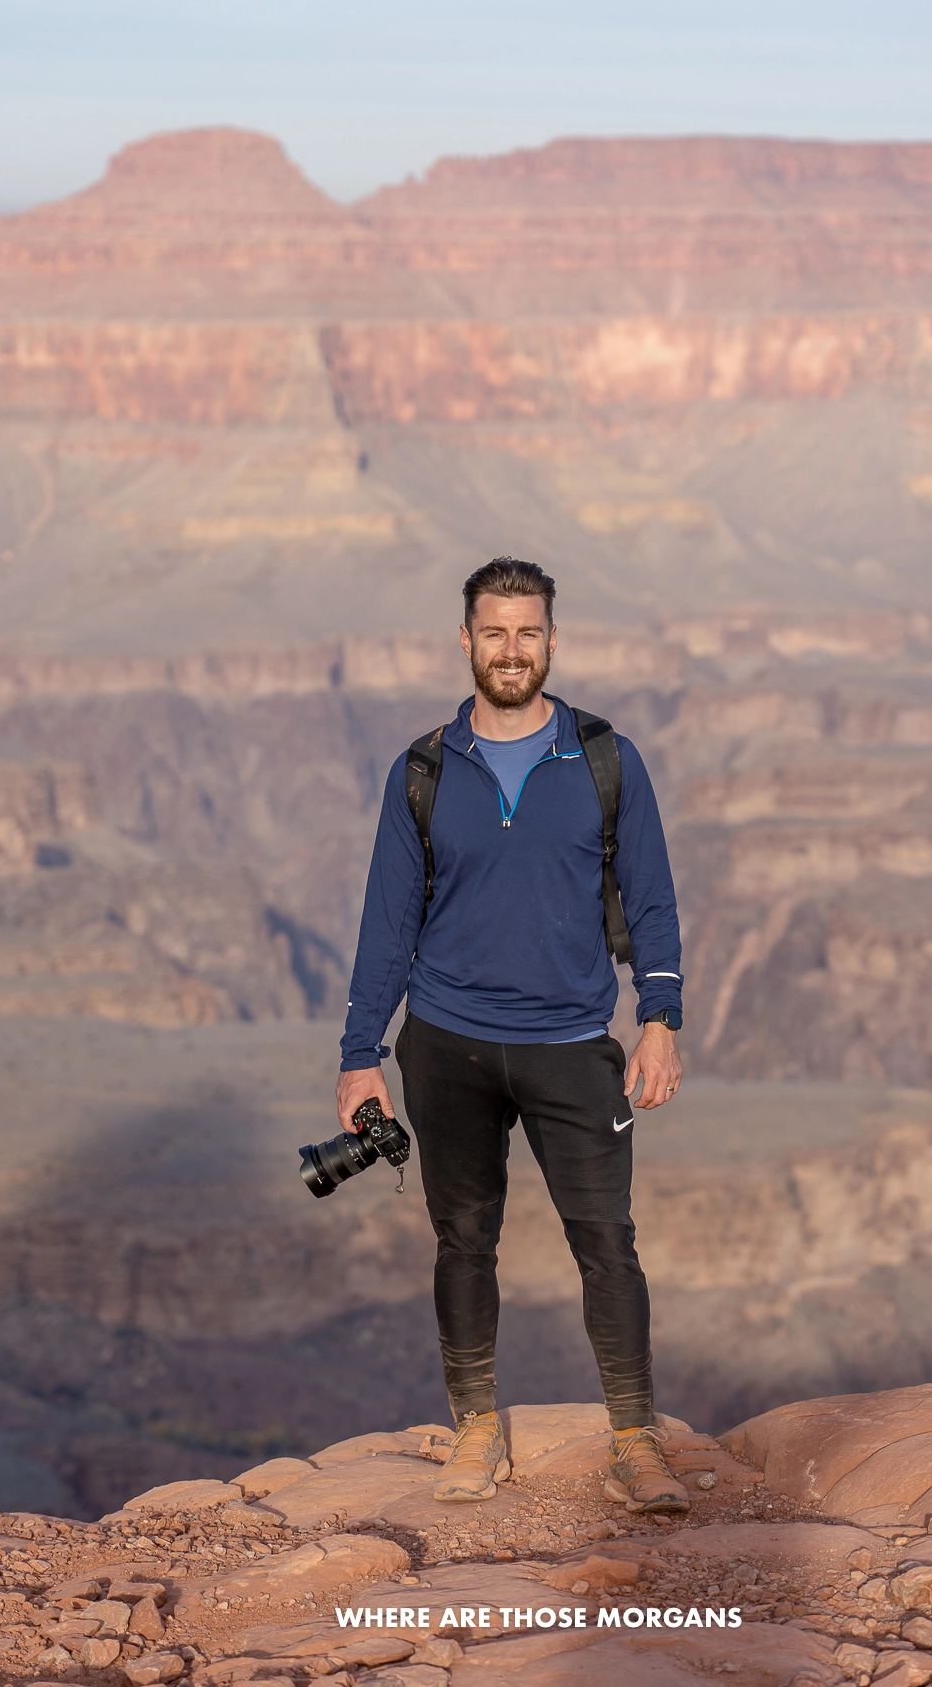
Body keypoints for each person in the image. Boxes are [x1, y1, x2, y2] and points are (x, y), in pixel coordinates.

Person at [335, 557, 688, 1513]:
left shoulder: (605, 759)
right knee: (462, 1241)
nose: (511, 649)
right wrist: (359, 1055)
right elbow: (386, 923)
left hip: (572, 1043)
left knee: (607, 1242)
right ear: (466, 641)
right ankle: (476, 1430)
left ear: (551, 641)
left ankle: (636, 1440)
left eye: (527, 632)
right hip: (445, 1042)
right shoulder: (422, 770)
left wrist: (660, 1020)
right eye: (494, 632)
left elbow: (652, 900)